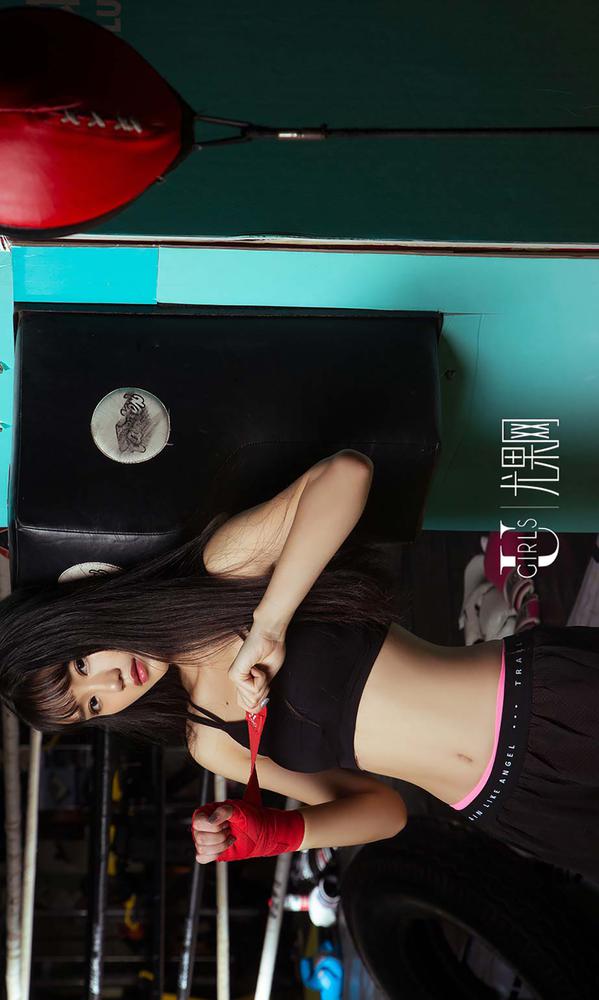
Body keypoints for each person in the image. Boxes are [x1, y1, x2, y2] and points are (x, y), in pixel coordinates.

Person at [1, 451, 598, 879]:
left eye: (81, 661)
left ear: (82, 617)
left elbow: (347, 474)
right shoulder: (211, 742)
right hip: (506, 807)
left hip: (541, 704)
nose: (110, 683)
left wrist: (270, 623)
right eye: (92, 705)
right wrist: (279, 834)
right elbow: (387, 813)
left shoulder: (222, 573)